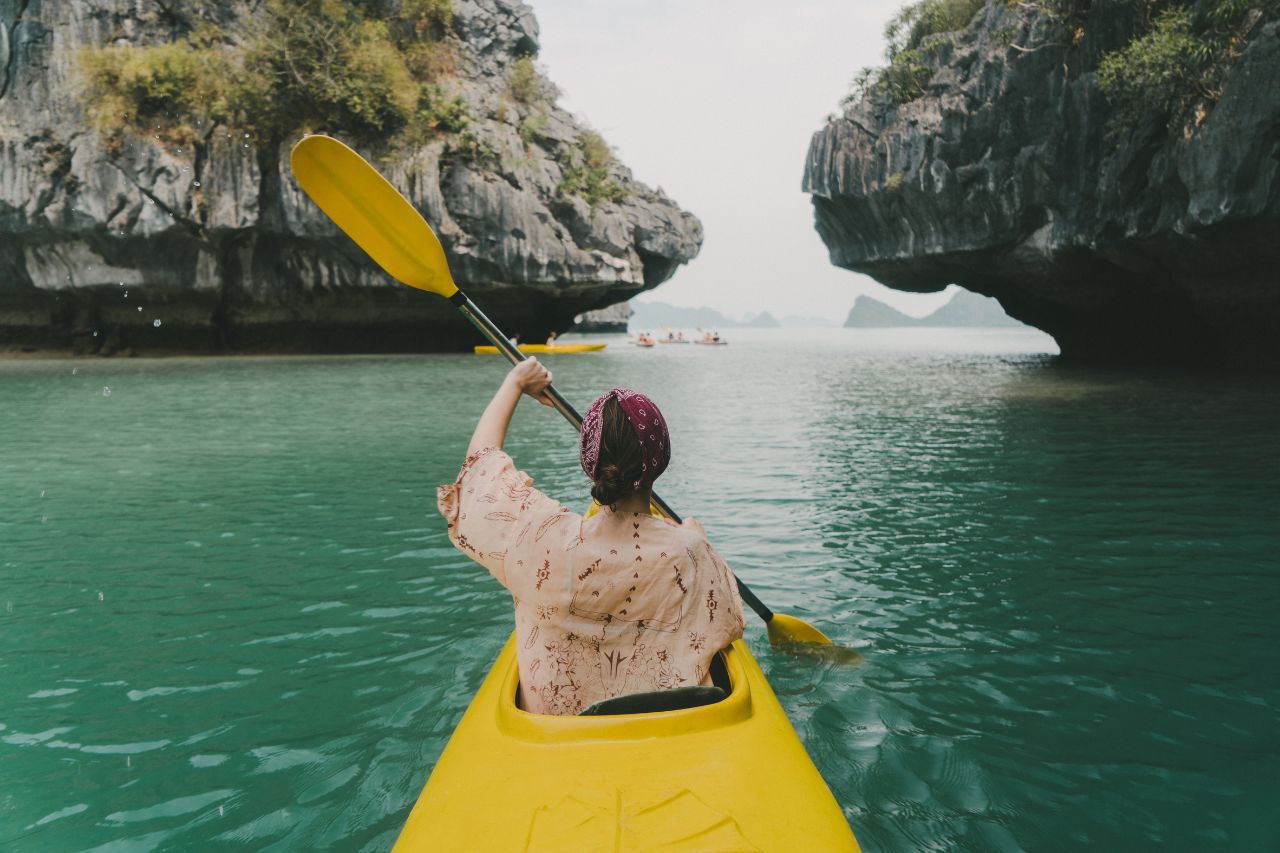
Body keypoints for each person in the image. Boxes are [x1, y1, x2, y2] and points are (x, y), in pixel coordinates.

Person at [437, 359, 746, 716]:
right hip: (669, 730)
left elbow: (480, 472)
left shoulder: (540, 537)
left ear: (590, 462)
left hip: (556, 737)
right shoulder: (692, 552)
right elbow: (729, 623)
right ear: (661, 459)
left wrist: (516, 382)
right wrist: (695, 540)